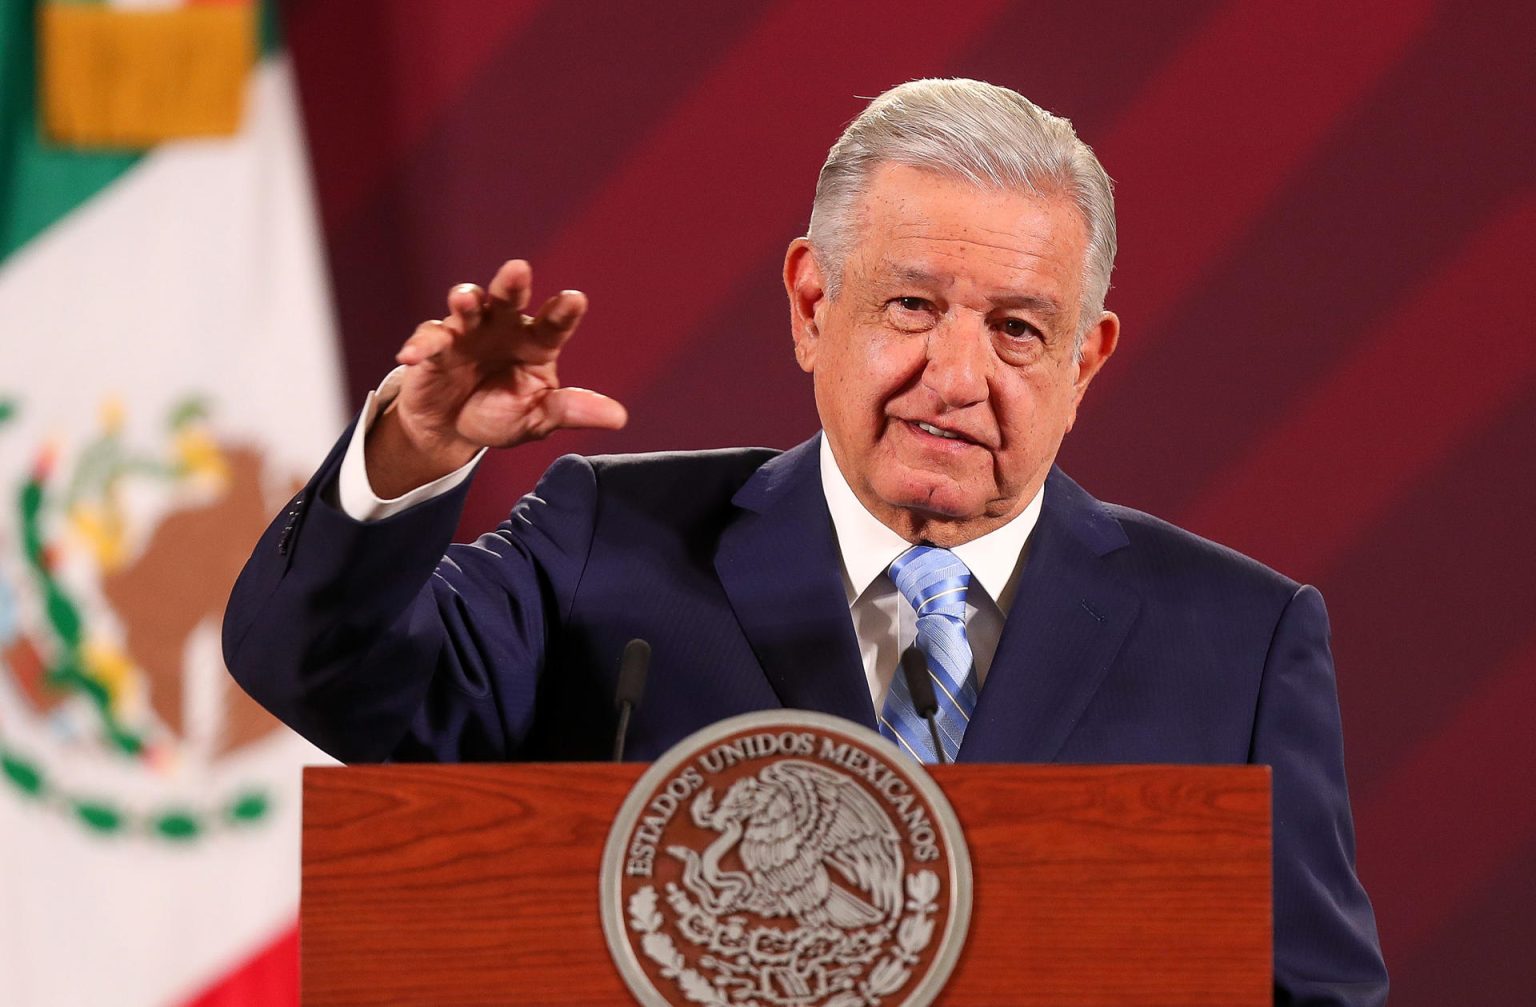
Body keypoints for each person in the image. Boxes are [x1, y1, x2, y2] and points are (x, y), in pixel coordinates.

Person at [224, 79, 1387, 1003]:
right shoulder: (607, 549)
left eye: (1020, 329)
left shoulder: (1239, 638)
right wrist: (410, 450)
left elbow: (1313, 990)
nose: (959, 376)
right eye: (913, 305)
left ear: (1086, 361)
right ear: (811, 304)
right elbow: (312, 662)